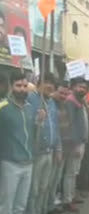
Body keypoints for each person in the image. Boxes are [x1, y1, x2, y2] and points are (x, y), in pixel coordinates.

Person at [0, 71, 35, 214]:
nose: (22, 89)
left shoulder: (30, 108)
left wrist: (39, 121)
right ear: (11, 86)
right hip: (10, 163)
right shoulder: (3, 107)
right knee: (6, 205)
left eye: (25, 85)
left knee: (20, 205)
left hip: (28, 163)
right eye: (18, 85)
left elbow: (32, 134)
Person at [27, 72, 61, 214]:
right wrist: (37, 120)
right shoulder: (31, 99)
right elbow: (27, 124)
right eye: (46, 82)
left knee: (44, 186)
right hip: (36, 152)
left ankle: (41, 210)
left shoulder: (52, 102)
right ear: (38, 84)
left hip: (50, 151)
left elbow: (55, 125)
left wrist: (58, 148)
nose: (49, 86)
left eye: (52, 84)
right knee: (33, 189)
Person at [62, 77, 88, 212]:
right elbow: (70, 125)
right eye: (79, 87)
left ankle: (71, 195)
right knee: (70, 173)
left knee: (74, 172)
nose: (82, 89)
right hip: (75, 144)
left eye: (84, 87)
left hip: (81, 142)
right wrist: (75, 145)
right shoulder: (71, 102)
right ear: (72, 87)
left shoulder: (80, 101)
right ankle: (67, 200)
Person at [46, 81, 71, 214]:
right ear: (54, 91)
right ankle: (46, 206)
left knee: (56, 179)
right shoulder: (50, 104)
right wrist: (58, 148)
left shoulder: (64, 105)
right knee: (47, 182)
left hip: (63, 147)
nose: (63, 95)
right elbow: (54, 129)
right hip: (53, 148)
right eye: (60, 93)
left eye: (65, 94)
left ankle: (51, 205)